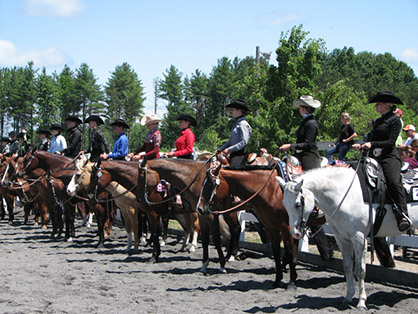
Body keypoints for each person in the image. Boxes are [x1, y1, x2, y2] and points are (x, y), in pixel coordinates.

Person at [280, 95, 334, 260]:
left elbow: (309, 144)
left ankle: (316, 208)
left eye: (300, 107)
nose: (299, 110)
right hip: (300, 156)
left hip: (309, 156)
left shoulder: (311, 123)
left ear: (305, 108)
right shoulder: (306, 122)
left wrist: (291, 146)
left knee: (308, 183)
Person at [353, 90, 412, 231]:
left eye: (378, 104)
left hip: (388, 157)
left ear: (387, 105)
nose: (376, 106)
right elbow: (370, 137)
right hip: (374, 156)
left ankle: (402, 214)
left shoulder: (395, 121)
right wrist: (362, 144)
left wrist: (372, 144)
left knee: (392, 180)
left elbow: (391, 142)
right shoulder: (378, 121)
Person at [218, 99, 252, 167]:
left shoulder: (243, 124)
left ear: (239, 110)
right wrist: (221, 148)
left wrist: (229, 149)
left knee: (232, 172)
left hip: (240, 154)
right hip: (234, 153)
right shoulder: (237, 123)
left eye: (233, 109)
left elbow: (244, 142)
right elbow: (231, 140)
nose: (232, 112)